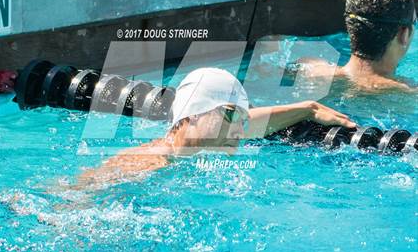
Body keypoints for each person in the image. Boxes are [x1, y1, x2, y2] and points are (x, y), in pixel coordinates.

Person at [77, 68, 356, 187]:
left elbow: (252, 122)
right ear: (195, 113)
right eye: (233, 116)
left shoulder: (205, 136)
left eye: (243, 120)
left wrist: (308, 108)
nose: (241, 130)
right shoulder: (146, 165)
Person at [300, 0, 416, 91]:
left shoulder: (311, 70)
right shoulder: (409, 92)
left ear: (351, 25)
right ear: (404, 34)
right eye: (414, 23)